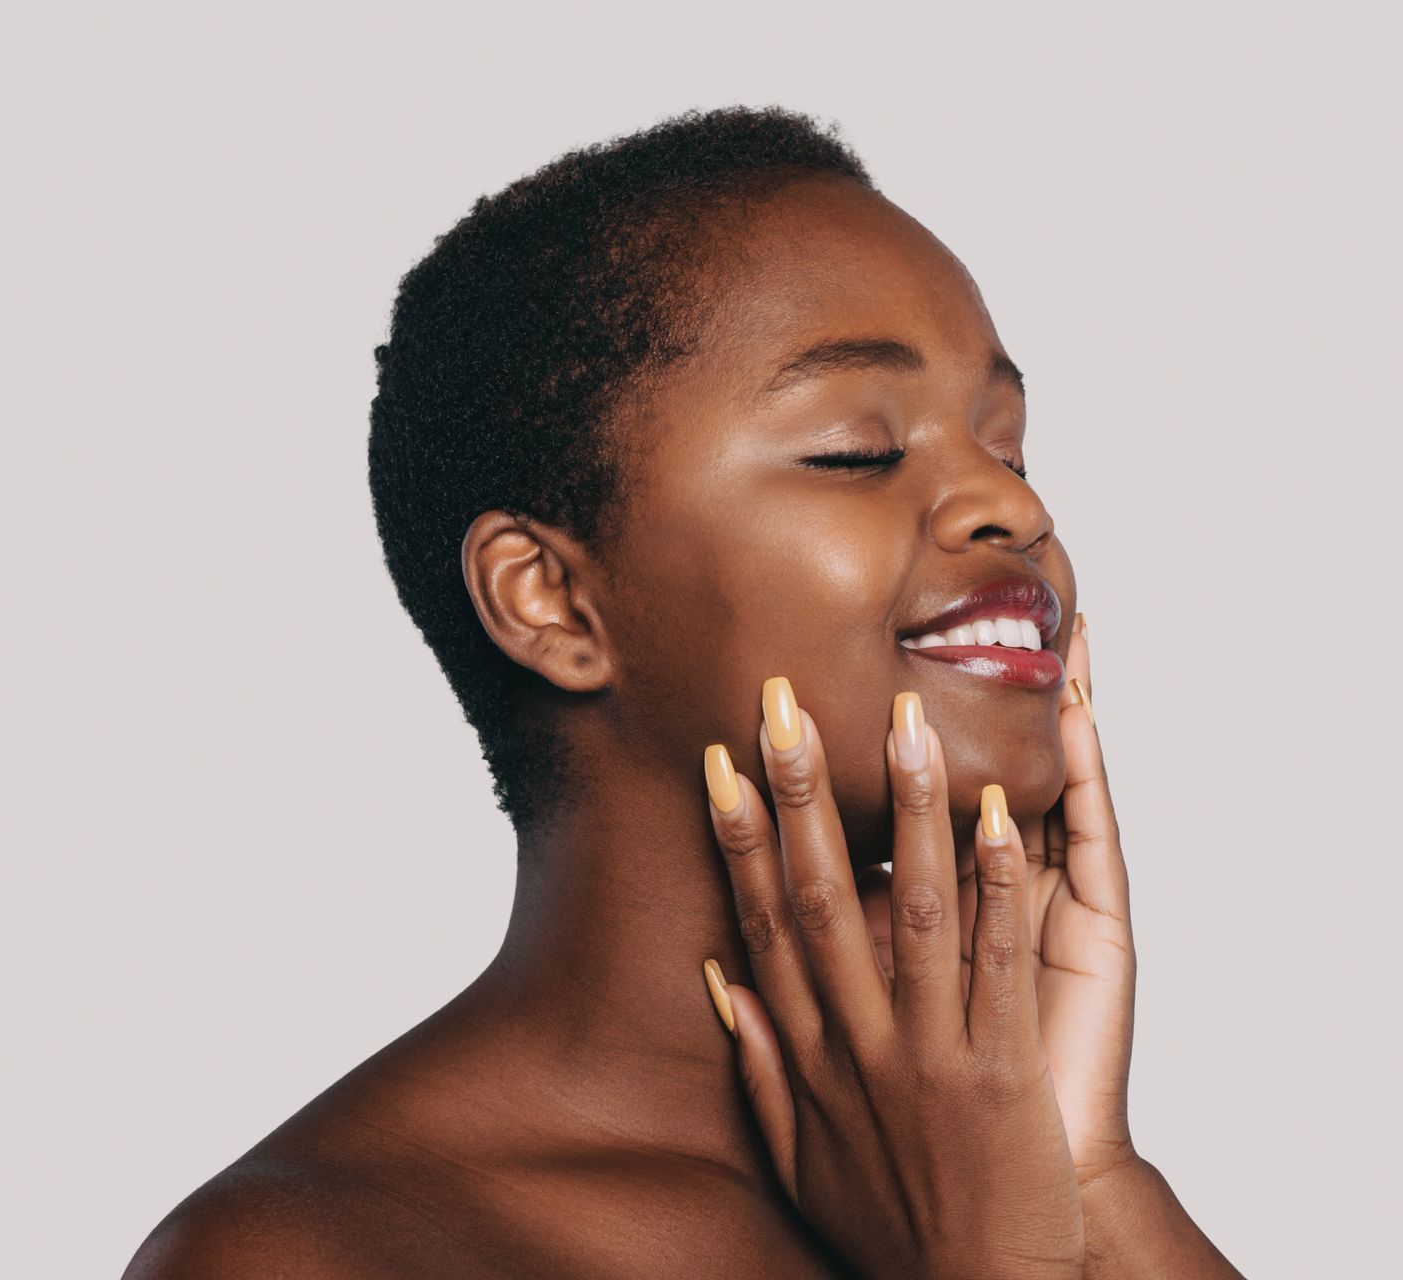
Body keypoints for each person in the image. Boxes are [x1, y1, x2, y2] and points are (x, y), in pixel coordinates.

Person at [126, 105, 1241, 1278]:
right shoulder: (318, 1248)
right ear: (551, 597)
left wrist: (1088, 1177)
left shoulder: (1048, 1178)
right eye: (856, 449)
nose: (1014, 507)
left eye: (1008, 449)